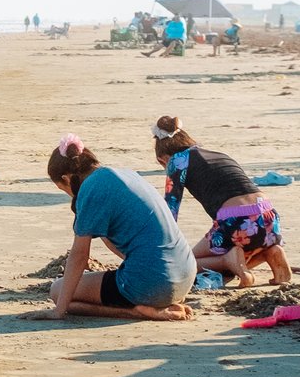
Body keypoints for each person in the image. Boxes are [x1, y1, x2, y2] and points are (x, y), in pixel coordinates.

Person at [33, 136, 195, 321]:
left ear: (66, 178)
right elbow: (114, 240)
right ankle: (156, 301)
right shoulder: (123, 174)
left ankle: (136, 311)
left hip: (152, 284)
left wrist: (58, 311)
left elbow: (79, 256)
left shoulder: (91, 188)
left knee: (57, 291)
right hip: (185, 275)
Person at [151, 116, 291, 286]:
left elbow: (170, 211)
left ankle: (228, 261)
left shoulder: (176, 161)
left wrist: (161, 249)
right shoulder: (218, 155)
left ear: (162, 159)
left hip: (237, 222)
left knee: (184, 264)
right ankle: (271, 252)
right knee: (242, 249)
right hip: (269, 218)